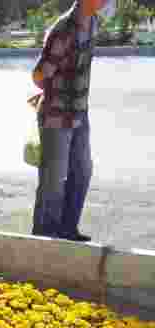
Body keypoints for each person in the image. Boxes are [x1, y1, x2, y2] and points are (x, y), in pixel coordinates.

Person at [30, 0, 116, 242]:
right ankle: (44, 237)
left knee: (82, 171)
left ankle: (67, 229)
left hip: (79, 112)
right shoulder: (65, 29)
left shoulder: (93, 22)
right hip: (57, 115)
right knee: (53, 180)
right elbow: (38, 74)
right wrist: (50, 91)